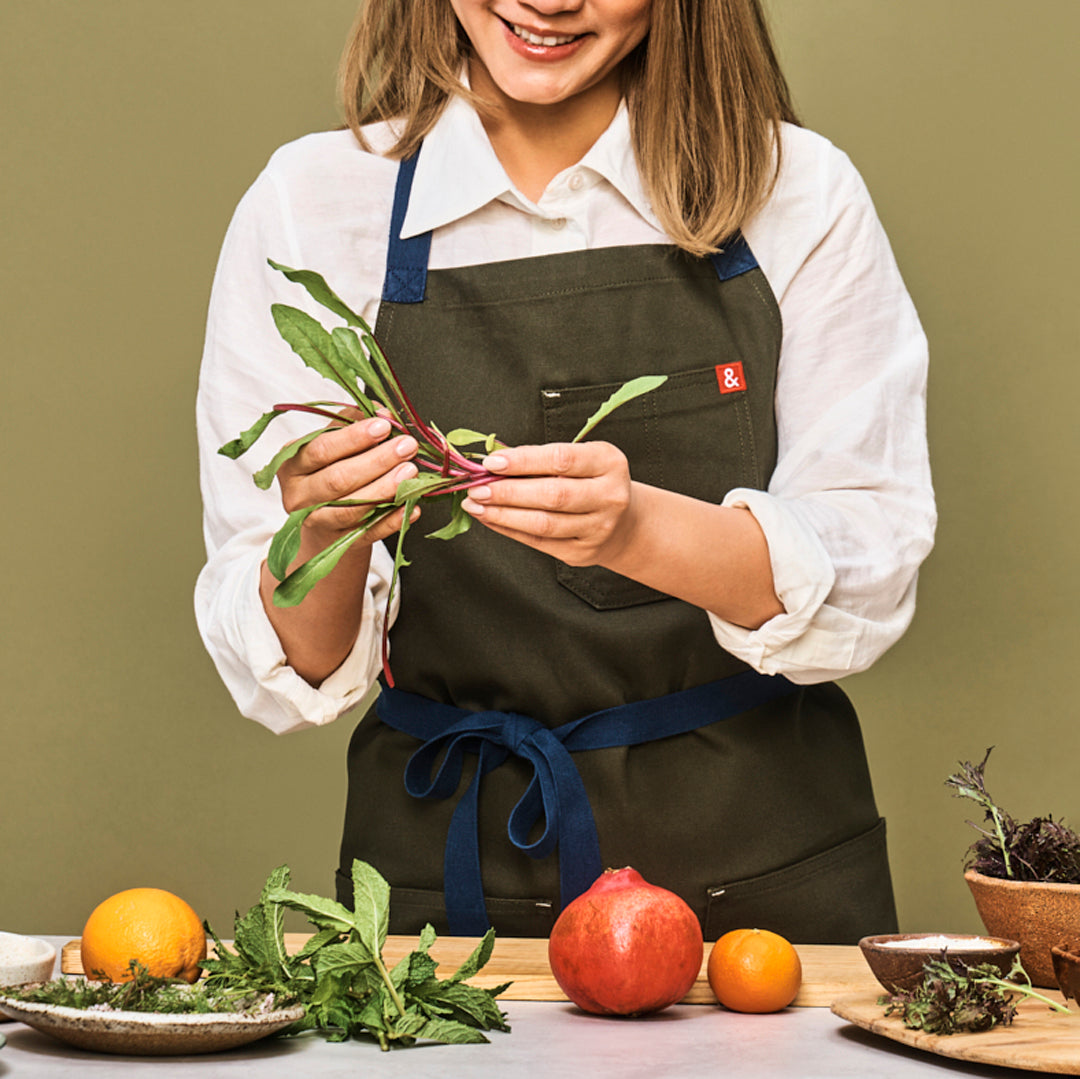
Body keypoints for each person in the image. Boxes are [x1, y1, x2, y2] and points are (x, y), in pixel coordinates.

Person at [195, 0, 935, 943]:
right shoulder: (313, 200)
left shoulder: (798, 190)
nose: (547, 1)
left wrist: (636, 532)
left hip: (761, 883)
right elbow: (290, 671)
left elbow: (870, 561)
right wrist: (328, 530)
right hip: (443, 902)